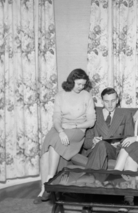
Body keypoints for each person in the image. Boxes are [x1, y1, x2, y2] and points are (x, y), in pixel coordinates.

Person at [33, 68, 96, 204]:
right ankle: (43, 189)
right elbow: (56, 118)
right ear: (71, 81)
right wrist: (61, 131)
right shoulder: (60, 95)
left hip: (78, 129)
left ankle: (49, 183)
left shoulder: (86, 96)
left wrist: (73, 127)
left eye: (83, 84)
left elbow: (91, 121)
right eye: (78, 84)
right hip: (60, 128)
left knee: (55, 142)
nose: (81, 87)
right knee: (45, 154)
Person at [82, 87, 134, 170]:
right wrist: (93, 141)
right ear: (102, 101)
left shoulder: (125, 114)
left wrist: (119, 143)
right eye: (106, 101)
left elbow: (130, 138)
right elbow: (85, 142)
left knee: (102, 144)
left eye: (113, 101)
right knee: (101, 144)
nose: (110, 105)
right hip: (96, 150)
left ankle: (89, 177)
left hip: (115, 152)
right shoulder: (94, 114)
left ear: (117, 100)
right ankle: (95, 178)